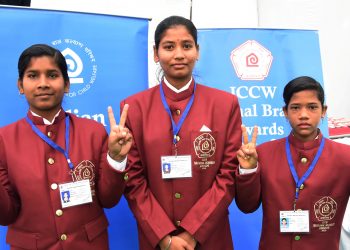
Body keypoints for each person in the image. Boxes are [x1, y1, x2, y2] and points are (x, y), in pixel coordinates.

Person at [121, 15, 242, 250]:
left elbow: (228, 174)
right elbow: (133, 179)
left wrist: (192, 233)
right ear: (156, 53)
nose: (178, 54)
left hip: (211, 238)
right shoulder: (133, 108)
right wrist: (164, 237)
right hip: (156, 241)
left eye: (186, 46)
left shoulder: (225, 104)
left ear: (197, 51)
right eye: (169, 47)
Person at [0, 44, 132, 249]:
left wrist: (116, 158)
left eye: (52, 75)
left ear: (67, 84)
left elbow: (109, 200)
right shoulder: (4, 139)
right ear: (20, 85)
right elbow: (6, 214)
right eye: (33, 76)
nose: (43, 84)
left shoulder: (94, 132)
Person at [235, 76, 350, 249]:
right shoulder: (264, 153)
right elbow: (247, 206)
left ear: (323, 111)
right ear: (285, 112)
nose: (303, 115)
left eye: (312, 107)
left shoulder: (345, 157)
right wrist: (248, 170)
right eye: (295, 108)